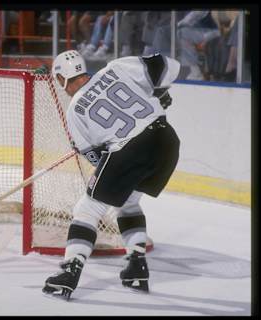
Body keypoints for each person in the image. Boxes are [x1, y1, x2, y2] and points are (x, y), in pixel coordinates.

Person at [42, 50, 181, 299]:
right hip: (166, 142)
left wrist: (108, 151)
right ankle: (136, 266)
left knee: (86, 209)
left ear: (62, 78)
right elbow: (166, 64)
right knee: (128, 203)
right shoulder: (115, 68)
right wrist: (160, 91)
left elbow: (95, 158)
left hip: (130, 149)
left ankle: (69, 271)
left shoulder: (74, 110)